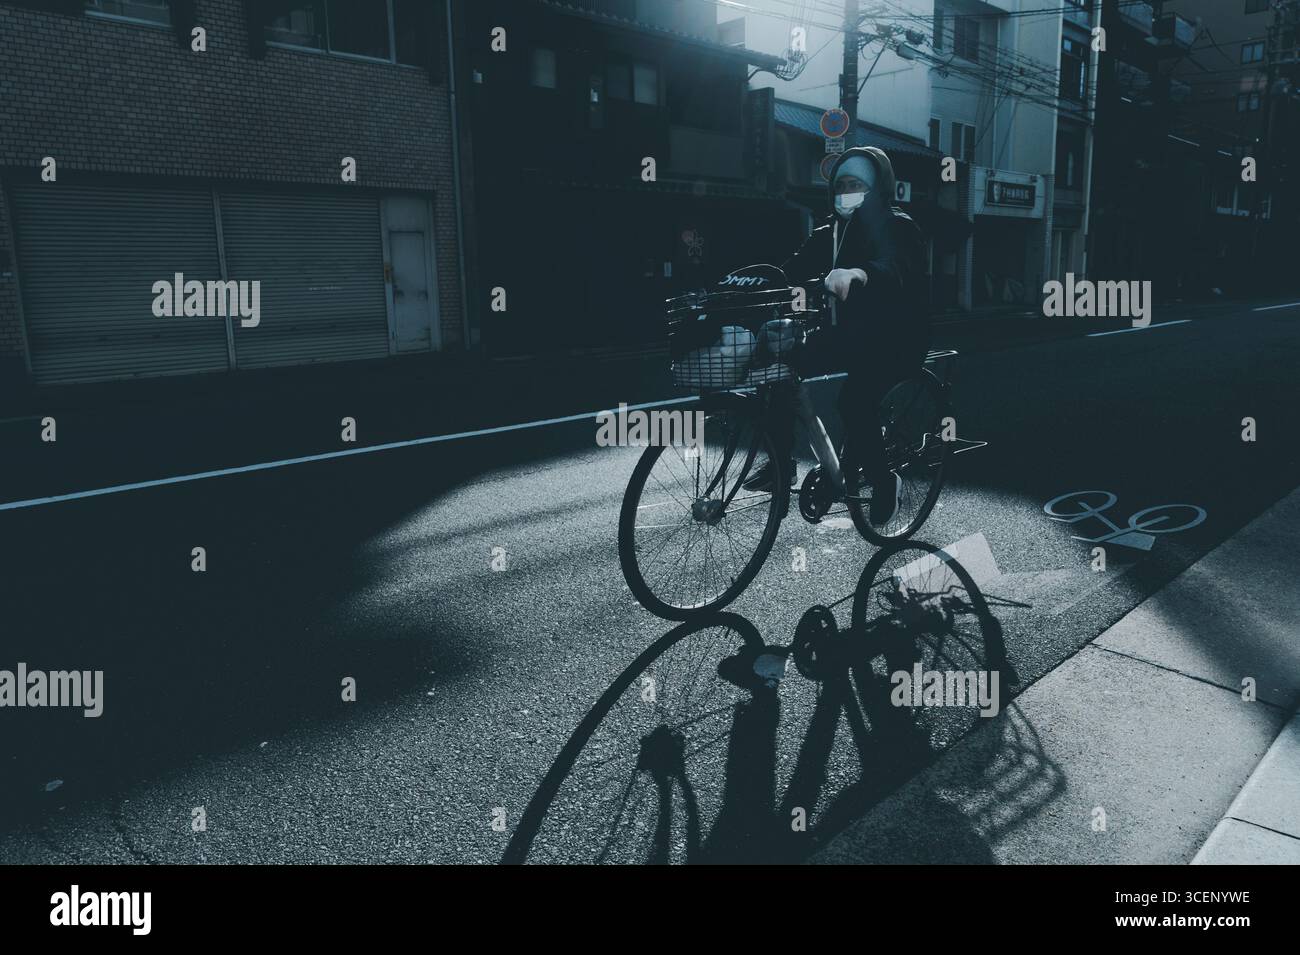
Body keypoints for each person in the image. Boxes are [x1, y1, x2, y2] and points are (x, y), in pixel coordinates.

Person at [745, 145, 931, 527]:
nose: (847, 190)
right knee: (779, 367)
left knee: (854, 402)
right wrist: (748, 285)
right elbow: (790, 271)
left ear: (877, 187)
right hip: (846, 334)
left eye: (856, 183)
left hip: (896, 339)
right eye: (841, 183)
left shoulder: (898, 226)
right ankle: (781, 465)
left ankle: (883, 483)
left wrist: (860, 274)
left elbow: (894, 266)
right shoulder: (829, 232)